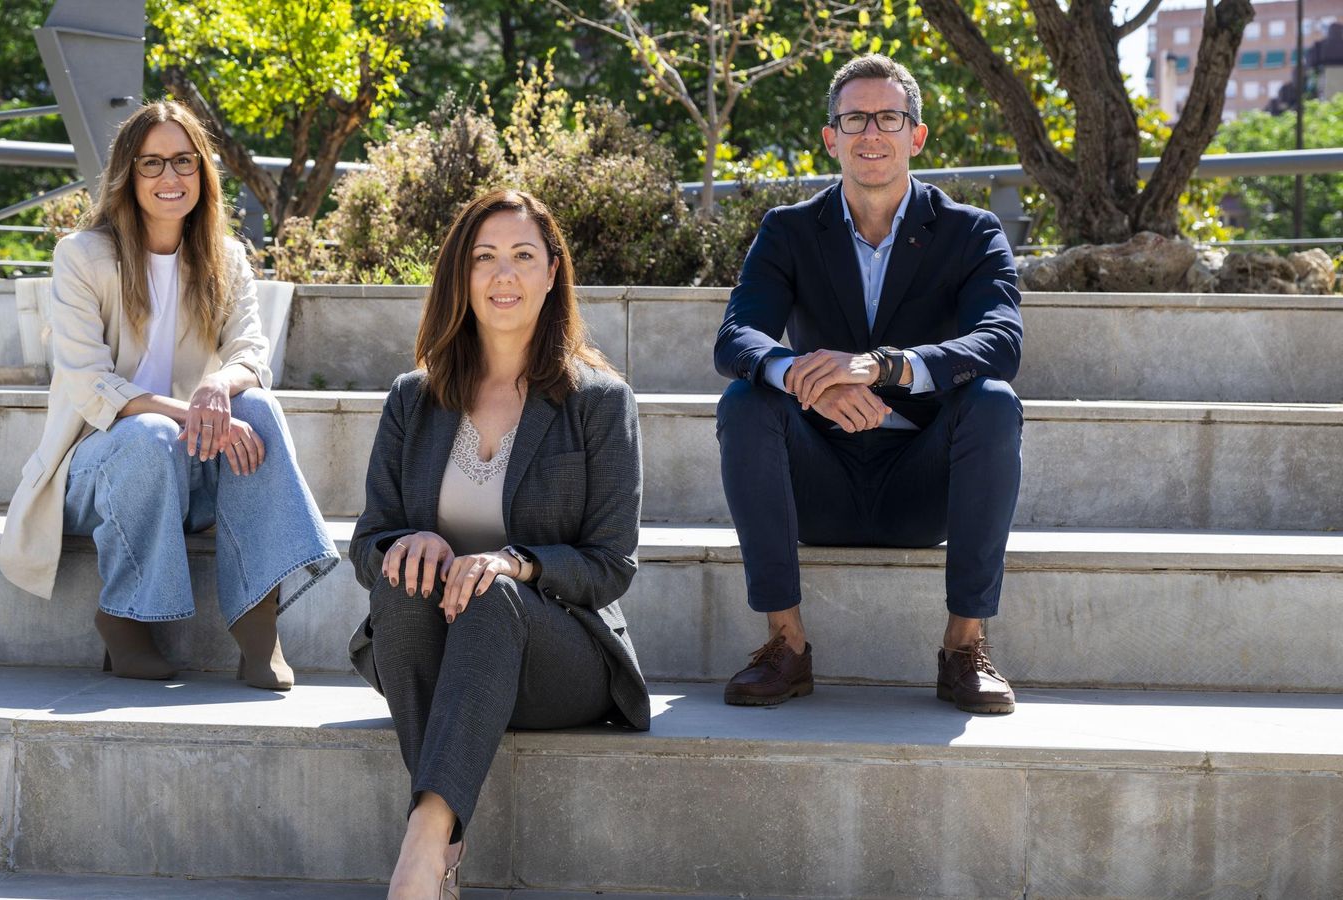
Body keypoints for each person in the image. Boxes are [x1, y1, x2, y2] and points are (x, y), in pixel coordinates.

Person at [348, 189, 648, 896]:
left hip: (557, 657)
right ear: (460, 275)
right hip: (430, 652)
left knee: (492, 594)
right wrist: (406, 543)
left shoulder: (600, 403)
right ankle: (437, 859)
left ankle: (423, 851)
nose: (502, 275)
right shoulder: (412, 399)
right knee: (399, 577)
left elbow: (611, 565)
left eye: (522, 256)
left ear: (552, 273)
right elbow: (367, 544)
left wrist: (516, 564)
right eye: (484, 258)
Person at [713, 54, 1024, 714]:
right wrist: (807, 381)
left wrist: (884, 365)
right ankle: (786, 646)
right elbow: (737, 338)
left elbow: (1000, 342)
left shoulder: (972, 233)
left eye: (889, 117)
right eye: (854, 119)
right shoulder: (789, 230)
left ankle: (964, 648)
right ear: (831, 138)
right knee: (745, 399)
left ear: (916, 135)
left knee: (995, 402)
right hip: (816, 481)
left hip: (923, 484)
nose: (871, 133)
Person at [0, 100, 337, 688]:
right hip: (95, 472)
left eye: (183, 161)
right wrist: (194, 410)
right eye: (151, 163)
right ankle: (125, 619)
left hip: (188, 464)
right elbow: (89, 382)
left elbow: (251, 354)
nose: (169, 177)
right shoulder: (81, 256)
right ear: (127, 175)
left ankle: (260, 626)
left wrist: (215, 387)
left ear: (203, 172)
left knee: (255, 405)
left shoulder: (225, 258)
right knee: (152, 433)